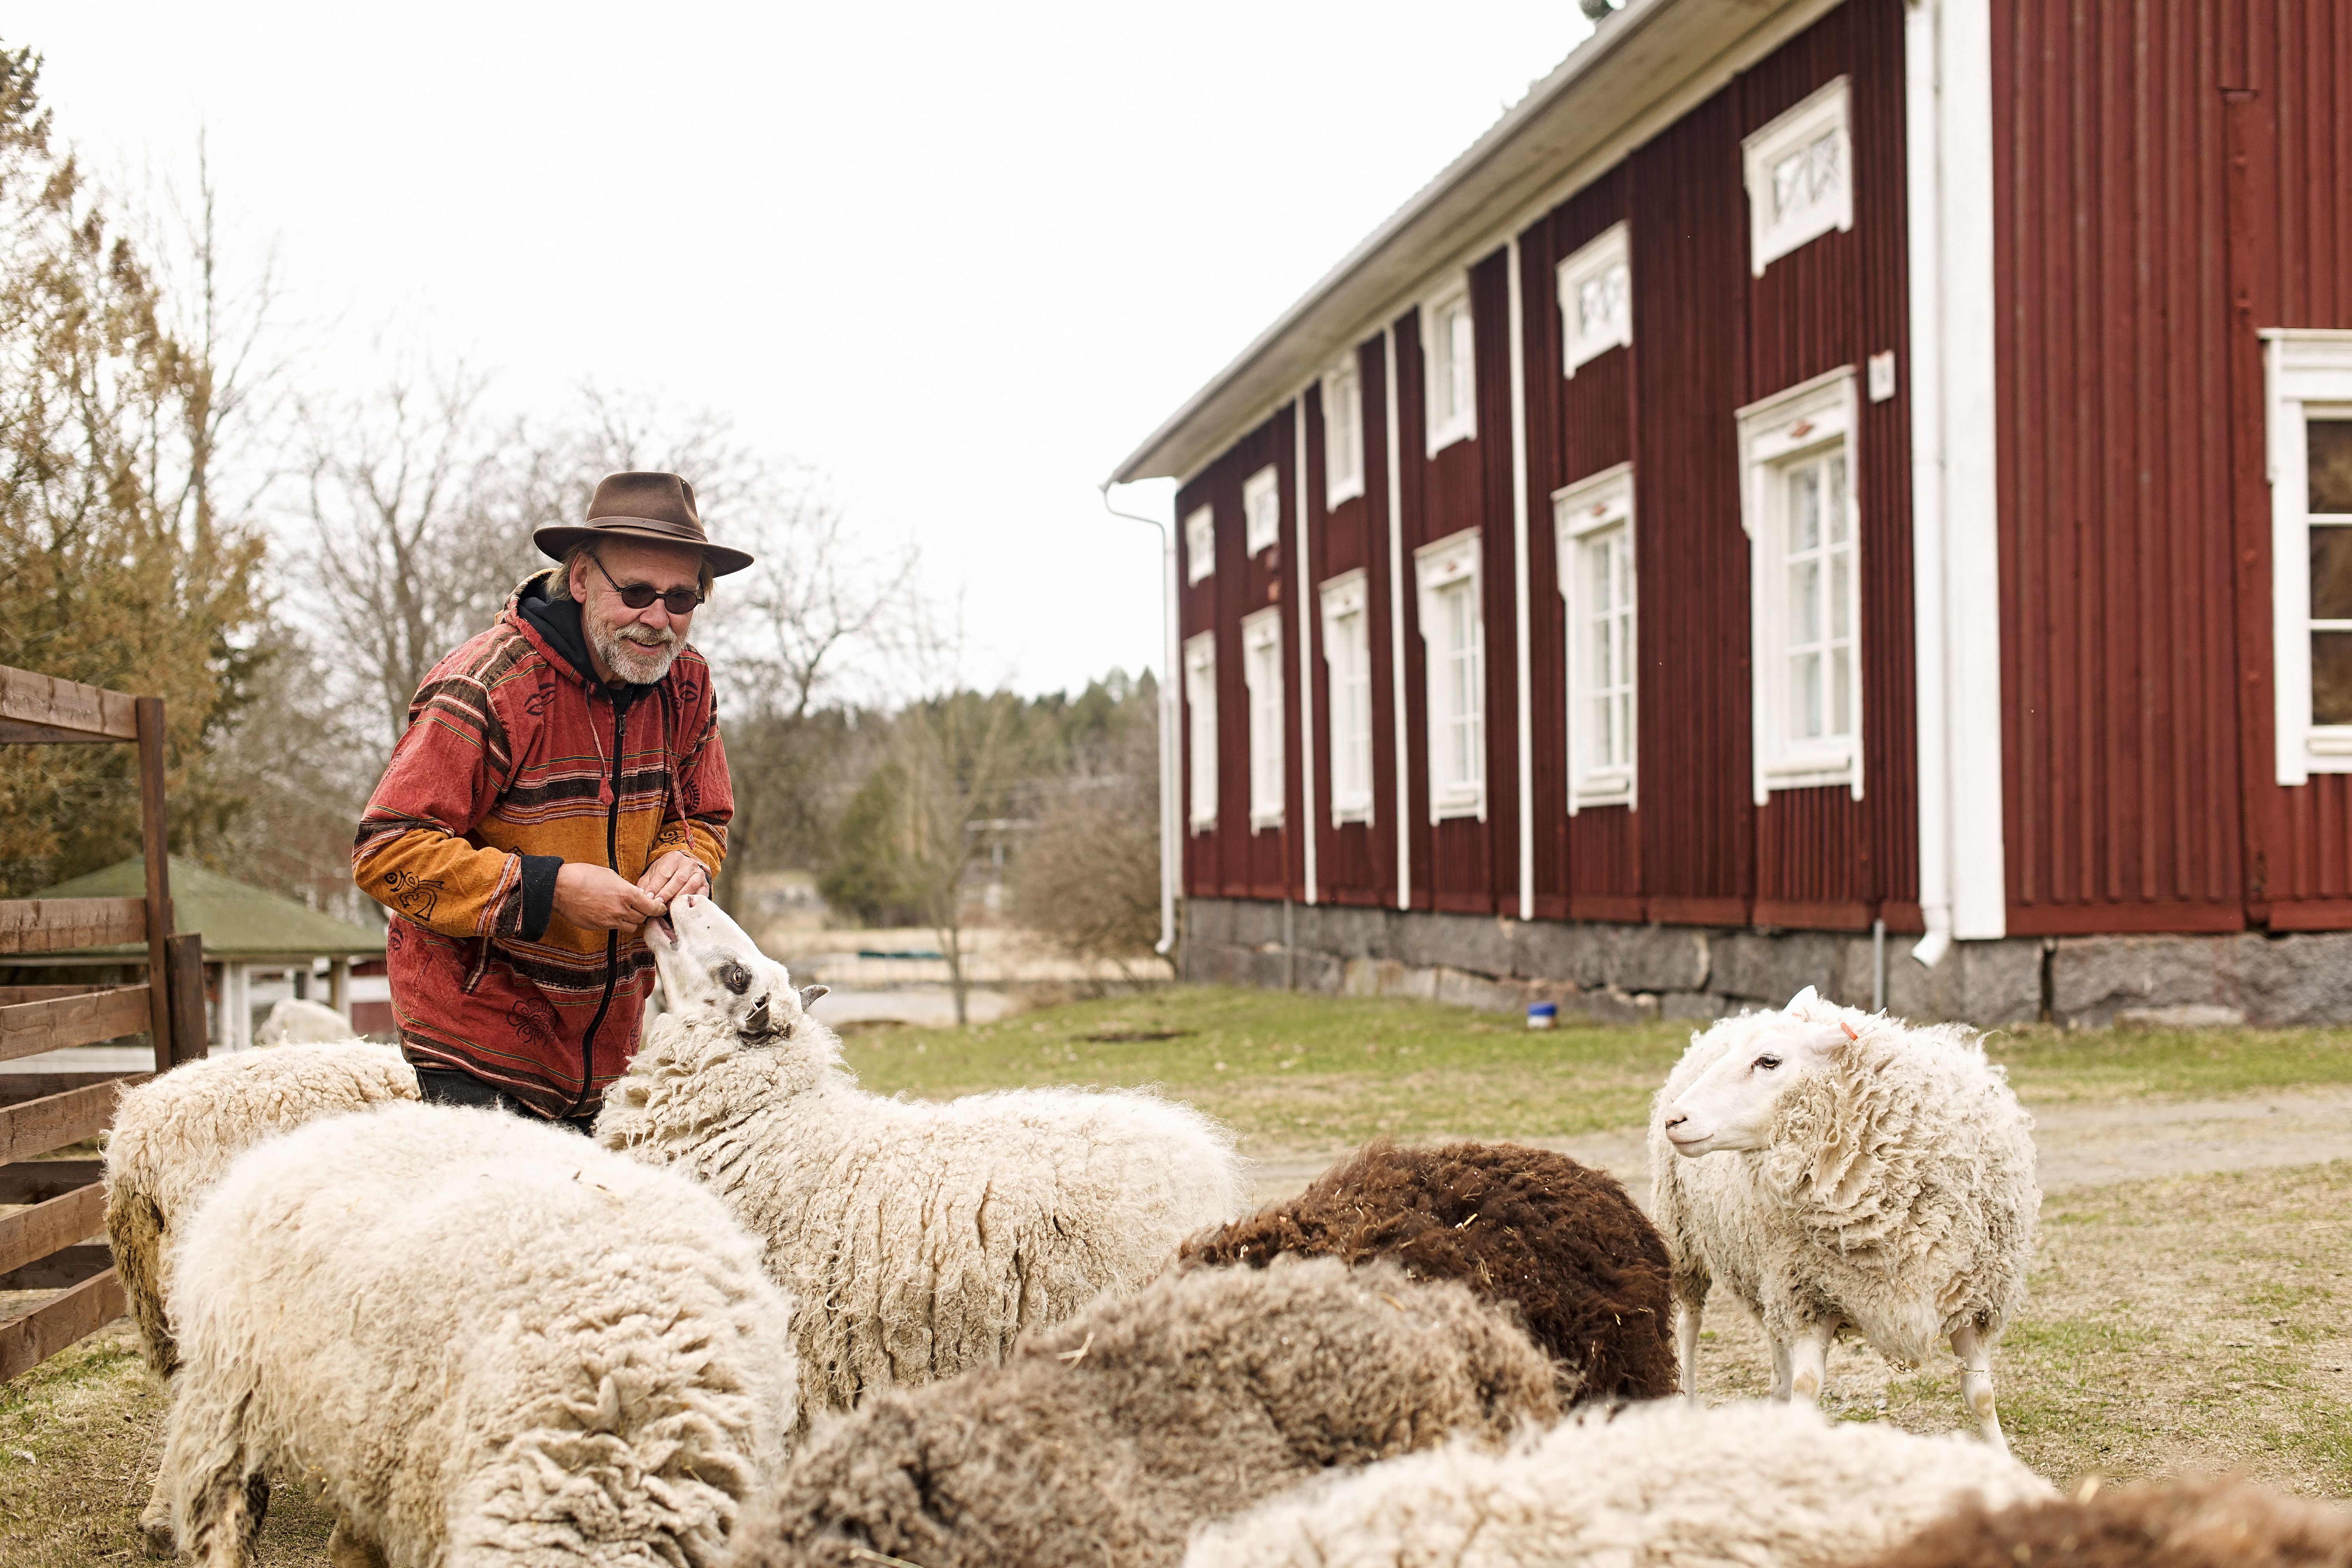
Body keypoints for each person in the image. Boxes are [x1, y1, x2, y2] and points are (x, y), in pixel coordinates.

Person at [352, 471, 750, 1132]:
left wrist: (688, 860)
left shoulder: (687, 684)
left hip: (612, 1051)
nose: (659, 619)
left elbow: (705, 816)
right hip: (476, 1048)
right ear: (582, 579)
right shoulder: (488, 687)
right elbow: (386, 851)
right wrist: (551, 889)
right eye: (637, 592)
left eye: (681, 597)